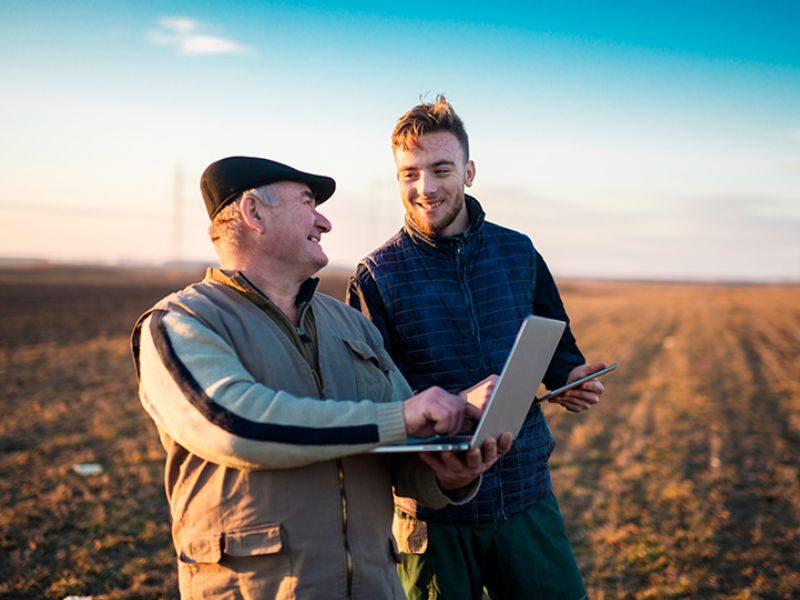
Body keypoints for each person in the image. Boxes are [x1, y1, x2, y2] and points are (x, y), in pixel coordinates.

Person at [131, 155, 512, 599]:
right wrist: (403, 416)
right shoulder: (181, 322)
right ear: (254, 213)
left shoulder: (349, 325)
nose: (325, 221)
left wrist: (450, 471)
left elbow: (404, 447)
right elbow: (235, 425)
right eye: (308, 202)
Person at [346, 97, 608, 600]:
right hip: (434, 514)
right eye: (409, 174)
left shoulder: (519, 251)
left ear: (468, 171)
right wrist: (457, 404)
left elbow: (558, 349)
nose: (425, 188)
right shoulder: (376, 276)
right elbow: (374, 399)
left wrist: (572, 378)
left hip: (525, 493)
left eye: (440, 169)